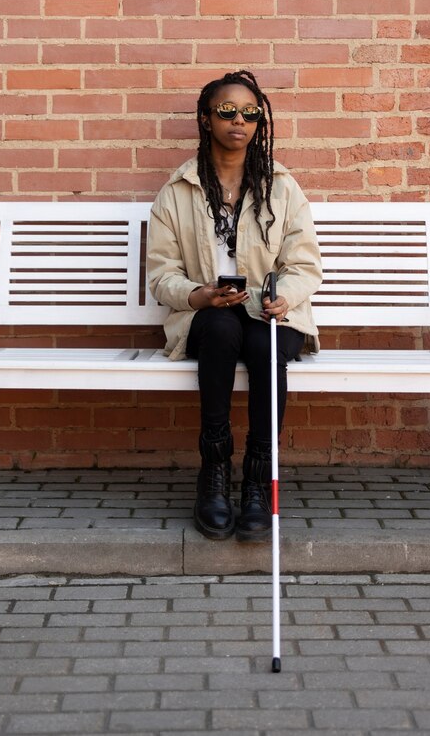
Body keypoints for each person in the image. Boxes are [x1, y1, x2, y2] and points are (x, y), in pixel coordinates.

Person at [147, 70, 323, 542]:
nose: (239, 120)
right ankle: (215, 472)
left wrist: (284, 297)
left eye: (250, 113)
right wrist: (199, 295)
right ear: (207, 119)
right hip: (207, 316)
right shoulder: (178, 191)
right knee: (222, 328)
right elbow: (161, 273)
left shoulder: (281, 187)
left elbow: (304, 264)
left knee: (264, 344)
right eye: (227, 111)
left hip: (272, 315)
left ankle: (259, 480)